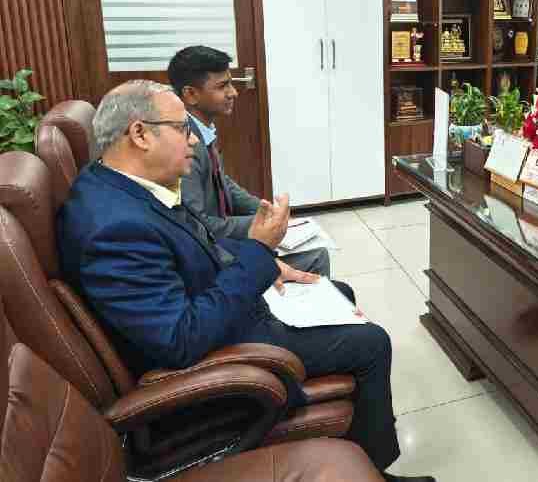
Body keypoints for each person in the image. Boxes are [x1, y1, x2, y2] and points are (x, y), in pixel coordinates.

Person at [56, 80, 435, 482]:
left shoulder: (119, 186)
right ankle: (376, 471)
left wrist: (267, 264)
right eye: (182, 129)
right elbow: (180, 339)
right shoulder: (113, 228)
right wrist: (258, 252)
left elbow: (192, 245)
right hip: (215, 354)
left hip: (213, 308)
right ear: (140, 134)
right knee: (372, 342)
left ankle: (360, 451)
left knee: (337, 292)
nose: (193, 140)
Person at [167, 46, 329, 276]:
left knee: (314, 251)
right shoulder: (184, 145)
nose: (233, 93)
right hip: (211, 255)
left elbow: (223, 182)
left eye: (231, 84)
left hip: (222, 240)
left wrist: (266, 211)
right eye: (222, 86)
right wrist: (258, 224)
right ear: (191, 94)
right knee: (317, 258)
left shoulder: (202, 128)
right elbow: (198, 225)